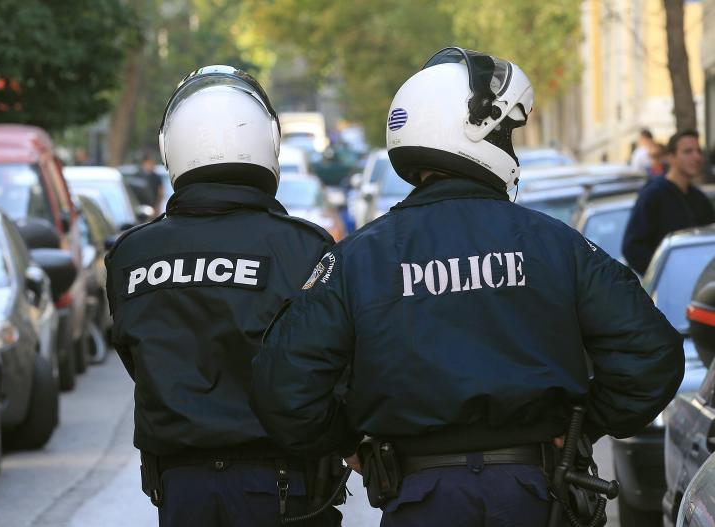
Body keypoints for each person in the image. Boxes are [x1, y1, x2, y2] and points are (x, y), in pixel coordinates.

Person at [251, 48, 684, 526]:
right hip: (537, 495)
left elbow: (283, 385)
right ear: (476, 131)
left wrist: (350, 441)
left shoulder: (358, 258)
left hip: (420, 498)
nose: (510, 147)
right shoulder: (554, 244)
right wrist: (586, 425)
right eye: (504, 132)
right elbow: (652, 354)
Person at [105, 65, 341, 527]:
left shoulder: (131, 253)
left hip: (181, 489)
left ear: (171, 147)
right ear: (268, 142)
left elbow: (137, 359)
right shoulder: (303, 246)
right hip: (283, 485)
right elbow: (332, 365)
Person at [622, 129, 715, 275]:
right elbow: (632, 248)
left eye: (698, 151)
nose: (696, 157)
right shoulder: (653, 195)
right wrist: (665, 275)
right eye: (688, 151)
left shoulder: (699, 198)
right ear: (671, 157)